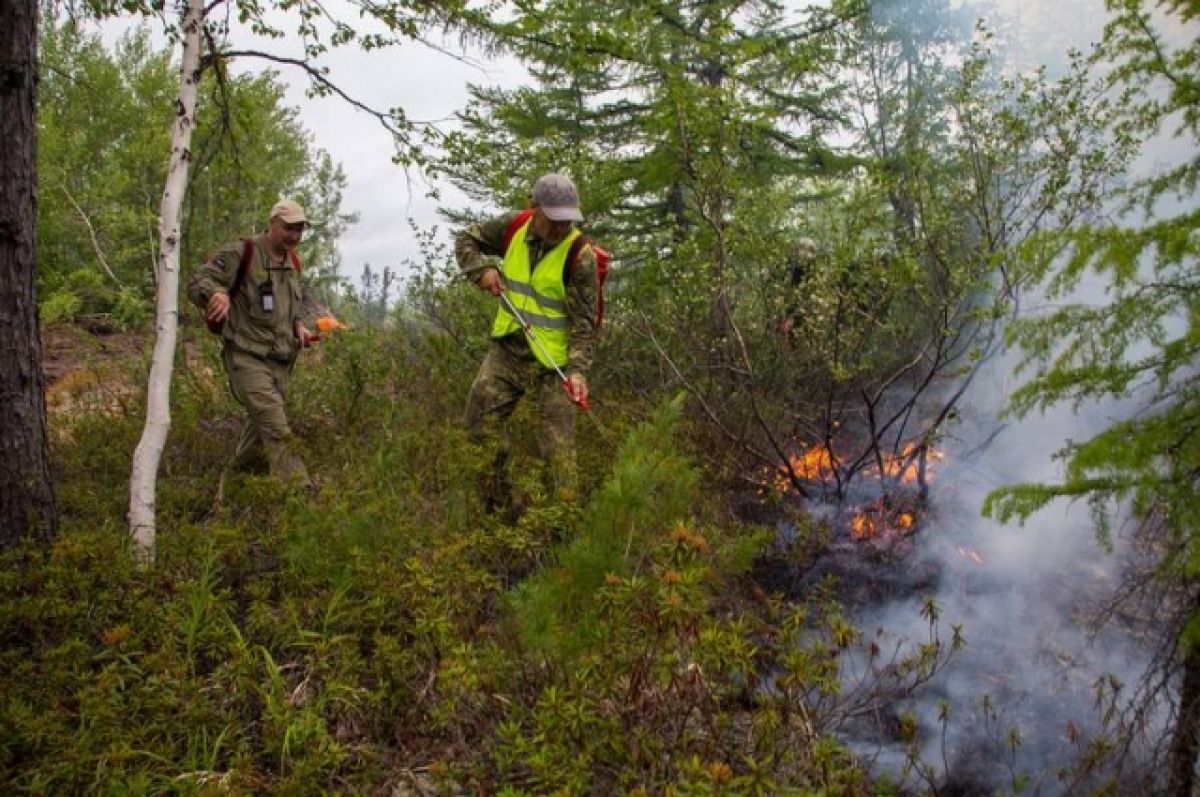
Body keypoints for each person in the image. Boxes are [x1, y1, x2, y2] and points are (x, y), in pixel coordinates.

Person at [456, 173, 600, 513]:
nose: (562, 227)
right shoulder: (513, 227)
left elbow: (584, 324)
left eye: (568, 220)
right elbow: (466, 239)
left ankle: (562, 536)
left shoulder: (581, 256)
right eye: (554, 220)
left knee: (557, 453)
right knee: (479, 425)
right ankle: (500, 513)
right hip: (510, 348)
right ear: (533, 209)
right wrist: (481, 270)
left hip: (556, 362)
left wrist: (577, 373)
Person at [187, 198, 324, 498]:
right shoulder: (242, 253)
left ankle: (231, 495)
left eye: (300, 230)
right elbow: (199, 279)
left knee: (259, 438)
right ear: (273, 223)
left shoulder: (293, 262)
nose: (294, 236)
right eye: (289, 228)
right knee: (276, 427)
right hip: (246, 358)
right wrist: (216, 294)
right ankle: (304, 499)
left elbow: (292, 306)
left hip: (281, 362)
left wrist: (298, 327)